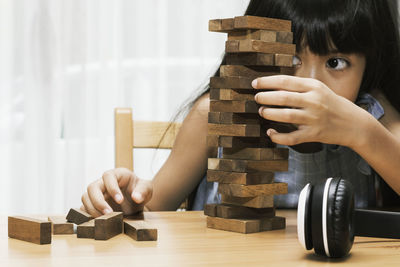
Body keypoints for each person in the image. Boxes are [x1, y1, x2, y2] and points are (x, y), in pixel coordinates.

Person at [81, 0, 400, 217]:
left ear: (368, 66)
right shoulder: (216, 114)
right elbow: (154, 210)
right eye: (290, 59)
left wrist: (363, 132)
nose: (311, 84)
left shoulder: (373, 114)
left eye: (336, 62)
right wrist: (124, 202)